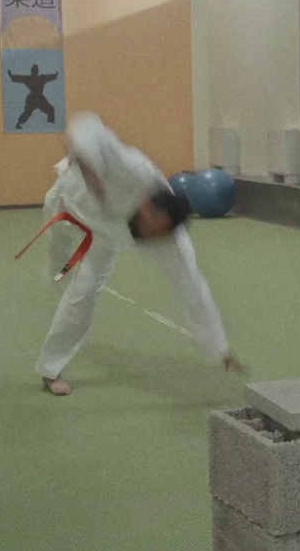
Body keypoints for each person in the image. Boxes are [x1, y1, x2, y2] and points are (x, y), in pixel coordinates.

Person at [29, 111, 240, 394]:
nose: (152, 235)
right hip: (66, 207)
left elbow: (193, 290)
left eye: (159, 233)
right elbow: (87, 124)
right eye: (153, 225)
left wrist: (220, 348)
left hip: (103, 237)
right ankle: (57, 268)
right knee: (59, 264)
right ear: (145, 205)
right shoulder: (135, 169)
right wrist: (90, 170)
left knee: (85, 290)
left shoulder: (170, 242)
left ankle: (50, 370)